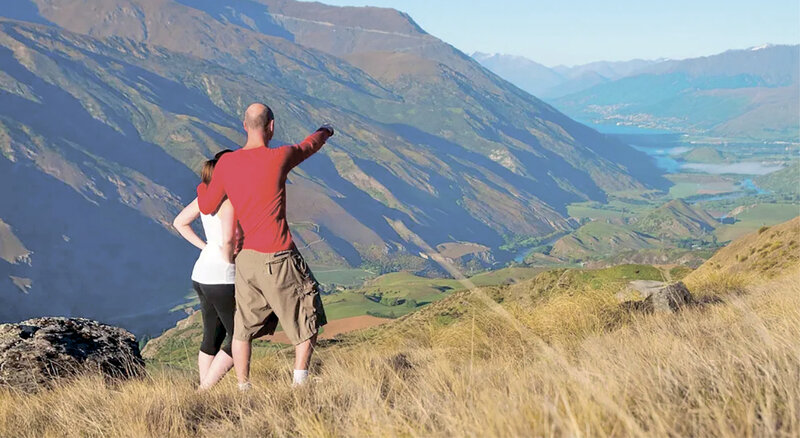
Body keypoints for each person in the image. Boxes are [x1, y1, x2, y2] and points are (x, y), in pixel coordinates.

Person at [196, 103, 333, 388]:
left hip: (245, 261)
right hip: (278, 255)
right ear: (271, 127)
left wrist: (201, 186)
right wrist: (326, 131)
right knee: (307, 317)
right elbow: (308, 146)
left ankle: (243, 387)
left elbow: (207, 204)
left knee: (243, 329)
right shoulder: (279, 156)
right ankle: (300, 384)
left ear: (244, 126)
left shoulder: (226, 164)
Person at [173, 149, 241, 389]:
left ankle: (205, 390)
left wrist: (206, 247)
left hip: (201, 273)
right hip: (223, 277)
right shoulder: (231, 199)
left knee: (211, 336)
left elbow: (179, 222)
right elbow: (231, 239)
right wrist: (229, 259)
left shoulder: (206, 197)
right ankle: (205, 390)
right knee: (240, 337)